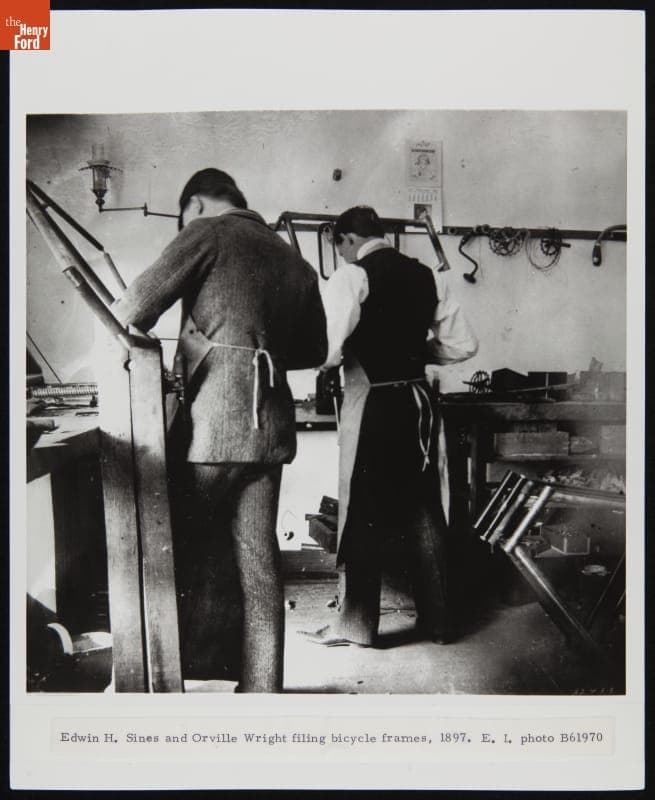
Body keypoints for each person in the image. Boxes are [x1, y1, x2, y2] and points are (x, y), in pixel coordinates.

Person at [113, 168, 327, 692]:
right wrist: (257, 347)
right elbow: (315, 351)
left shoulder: (207, 233)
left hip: (215, 426)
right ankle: (262, 689)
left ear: (195, 205)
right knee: (259, 562)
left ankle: (172, 681)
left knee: (175, 550)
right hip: (269, 430)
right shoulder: (292, 257)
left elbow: (131, 309)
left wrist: (213, 350)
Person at [301, 205, 477, 648]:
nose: (343, 256)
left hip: (374, 404)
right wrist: (412, 355)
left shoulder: (351, 277)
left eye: (341, 248)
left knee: (363, 511)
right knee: (425, 508)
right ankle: (441, 622)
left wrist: (321, 362)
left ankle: (356, 626)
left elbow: (329, 350)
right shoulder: (429, 276)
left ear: (347, 239)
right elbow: (463, 345)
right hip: (418, 404)